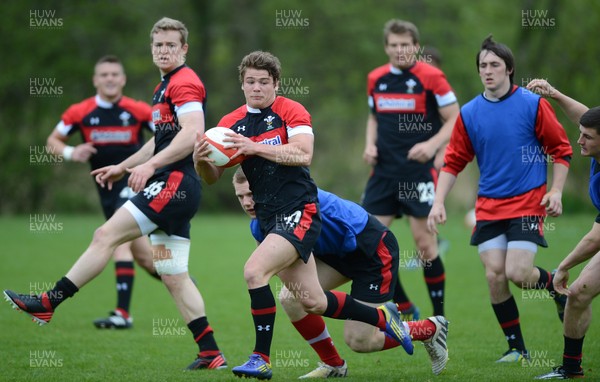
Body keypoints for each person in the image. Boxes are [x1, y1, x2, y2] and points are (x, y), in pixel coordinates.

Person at [4, 17, 227, 371]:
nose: (163, 50)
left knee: (106, 235)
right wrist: (124, 166)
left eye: (171, 44)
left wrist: (151, 167)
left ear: (184, 48)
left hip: (173, 184)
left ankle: (48, 301)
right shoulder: (164, 85)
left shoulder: (184, 83)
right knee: (172, 275)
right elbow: (160, 139)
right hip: (178, 186)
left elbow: (192, 133)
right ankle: (211, 352)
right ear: (151, 48)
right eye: (158, 44)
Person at [194, 50, 413, 380]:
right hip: (270, 218)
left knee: (254, 272)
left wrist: (254, 147)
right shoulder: (229, 123)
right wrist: (200, 160)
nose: (257, 88)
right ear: (242, 84)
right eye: (250, 82)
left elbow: (302, 153)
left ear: (276, 84)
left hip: (300, 209)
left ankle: (260, 358)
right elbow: (213, 177)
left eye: (264, 82)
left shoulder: (290, 111)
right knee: (310, 300)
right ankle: (385, 319)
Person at [427, 36, 573, 363]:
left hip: (527, 201)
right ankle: (517, 348)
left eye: (495, 65)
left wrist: (556, 190)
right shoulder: (470, 113)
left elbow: (561, 150)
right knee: (495, 274)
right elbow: (453, 161)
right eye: (483, 66)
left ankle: (554, 289)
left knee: (518, 273)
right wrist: (438, 203)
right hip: (490, 206)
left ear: (509, 68)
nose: (488, 71)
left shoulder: (533, 104)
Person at [232, 167, 449, 377]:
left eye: (251, 194)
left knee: (360, 341)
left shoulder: (296, 199)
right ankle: (334, 365)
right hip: (337, 256)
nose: (247, 203)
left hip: (372, 252)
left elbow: (344, 229)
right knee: (291, 297)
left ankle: (429, 328)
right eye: (240, 197)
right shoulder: (260, 225)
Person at [46, 55, 159, 329]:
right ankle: (186, 284)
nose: (110, 79)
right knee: (147, 259)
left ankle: (122, 314)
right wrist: (73, 151)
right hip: (106, 189)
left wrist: (153, 167)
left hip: (133, 184)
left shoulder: (139, 110)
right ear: (96, 80)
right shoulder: (80, 112)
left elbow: (166, 138)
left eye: (114, 74)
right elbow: (52, 141)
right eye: (104, 74)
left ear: (123, 79)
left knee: (116, 239)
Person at [361, 19, 460, 318]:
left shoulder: (432, 77)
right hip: (382, 174)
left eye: (405, 45)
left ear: (416, 47)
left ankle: (439, 317)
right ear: (386, 47)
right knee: (368, 243)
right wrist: (369, 144)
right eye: (393, 45)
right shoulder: (375, 78)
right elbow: (374, 117)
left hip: (417, 174)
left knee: (426, 247)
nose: (399, 50)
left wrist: (432, 145)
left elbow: (456, 118)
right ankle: (404, 307)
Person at [526, 79, 598, 380]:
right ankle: (571, 369)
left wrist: (563, 267)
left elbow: (596, 237)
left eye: (586, 138)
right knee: (579, 294)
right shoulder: (596, 146)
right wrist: (554, 94)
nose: (578, 141)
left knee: (575, 284)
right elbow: (586, 116)